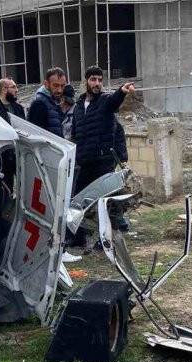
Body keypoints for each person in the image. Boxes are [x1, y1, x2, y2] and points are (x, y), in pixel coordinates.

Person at [70, 66, 135, 241]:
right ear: (86, 82)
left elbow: (114, 100)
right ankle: (79, 237)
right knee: (79, 200)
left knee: (105, 202)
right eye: (93, 79)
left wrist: (122, 91)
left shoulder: (105, 101)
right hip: (84, 161)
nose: (97, 83)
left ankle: (107, 239)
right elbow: (75, 134)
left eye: (99, 80)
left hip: (102, 161)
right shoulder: (78, 106)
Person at [27, 67, 67, 137]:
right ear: (46, 84)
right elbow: (36, 137)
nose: (60, 90)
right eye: (56, 85)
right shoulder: (39, 104)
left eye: (62, 86)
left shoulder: (52, 102)